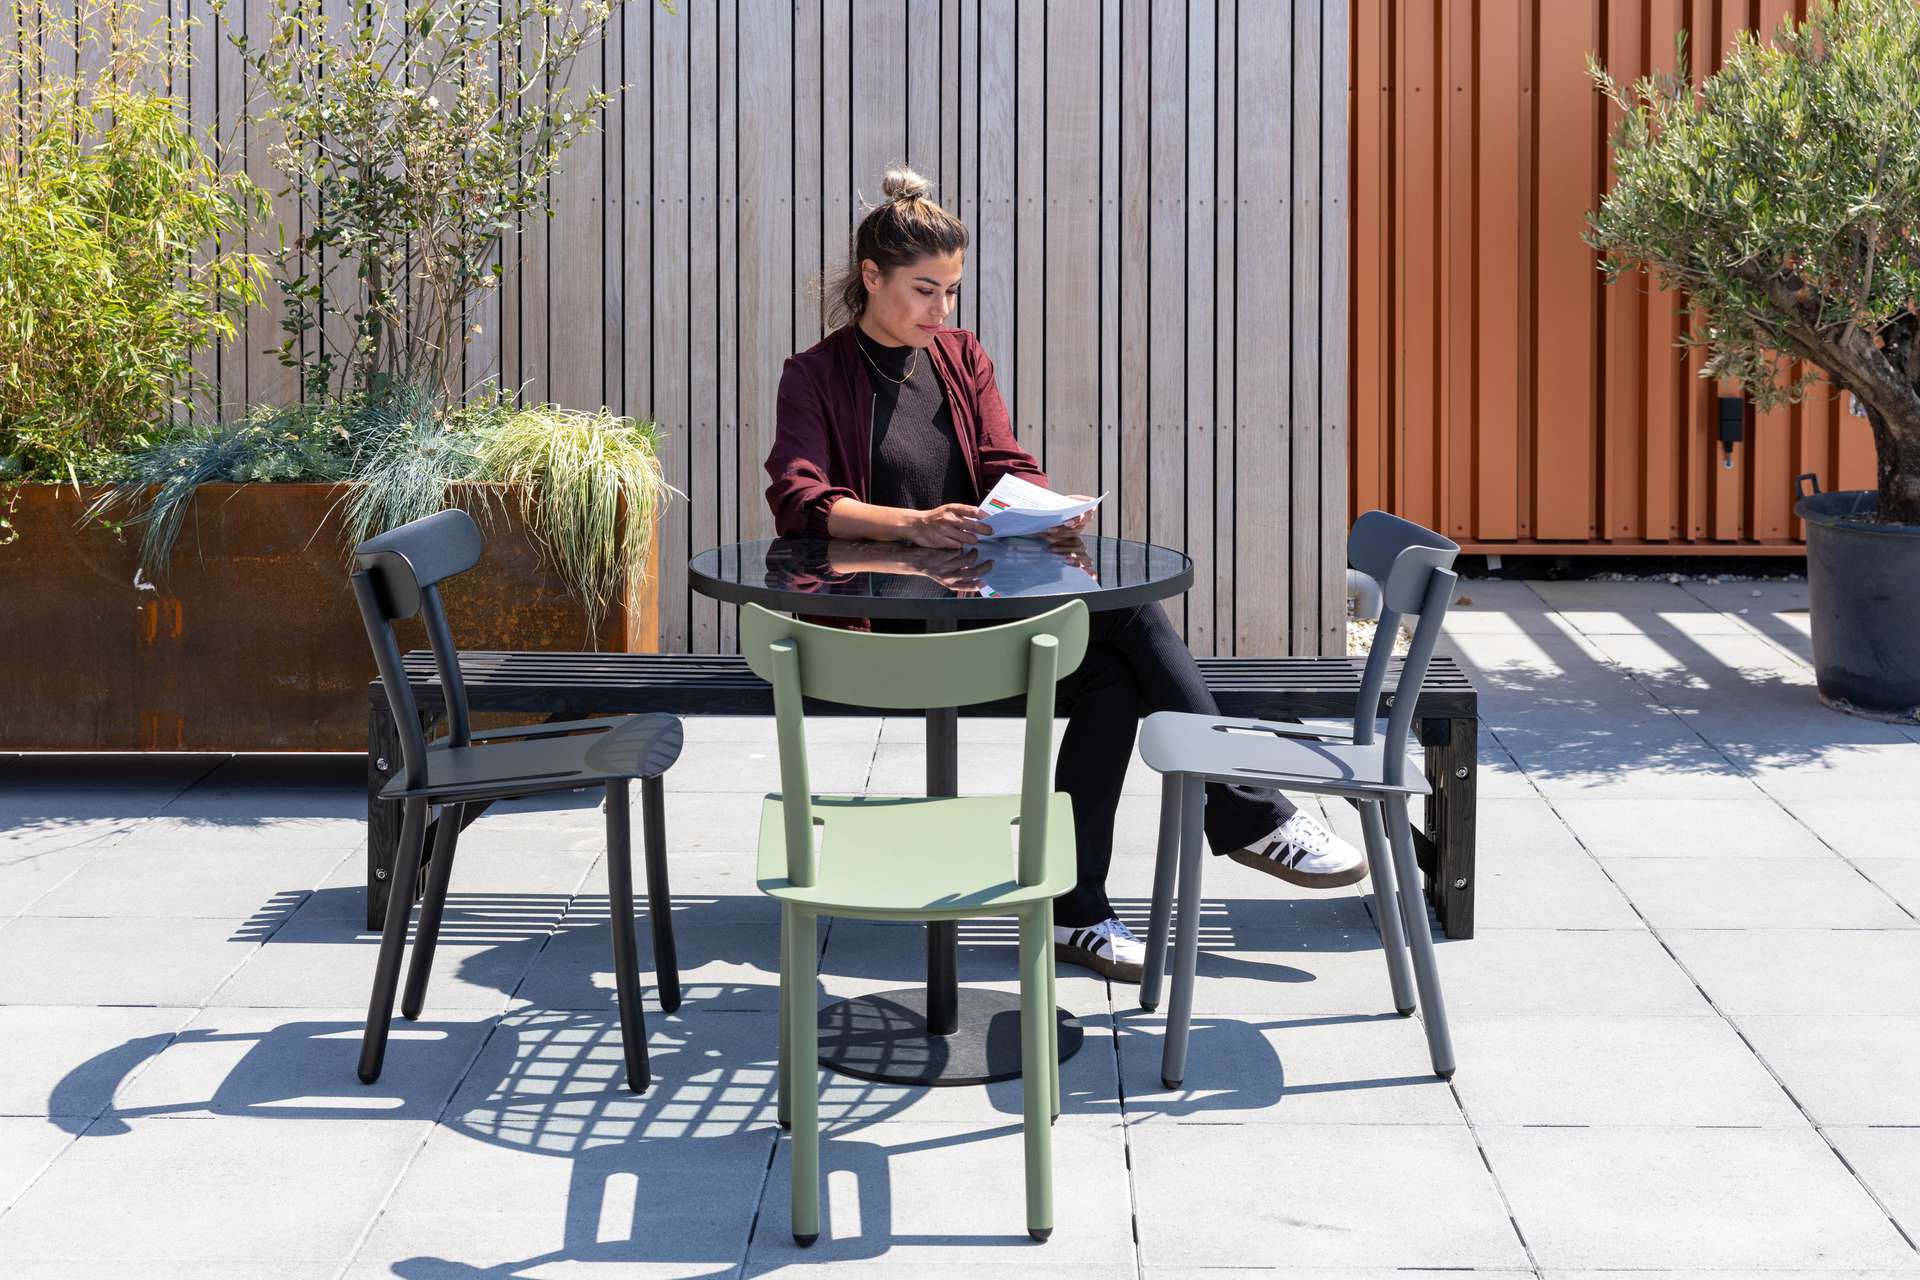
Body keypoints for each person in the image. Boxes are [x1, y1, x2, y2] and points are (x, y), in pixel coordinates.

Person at [763, 166, 1365, 983]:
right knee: (1128, 620)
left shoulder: (961, 359)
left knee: (1114, 670)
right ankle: (1245, 813)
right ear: (871, 277)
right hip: (885, 628)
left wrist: (1042, 507)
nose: (942, 311)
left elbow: (1005, 462)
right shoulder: (815, 374)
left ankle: (1083, 911)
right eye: (924, 291)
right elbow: (800, 499)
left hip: (978, 609)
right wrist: (914, 523)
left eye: (951, 291)